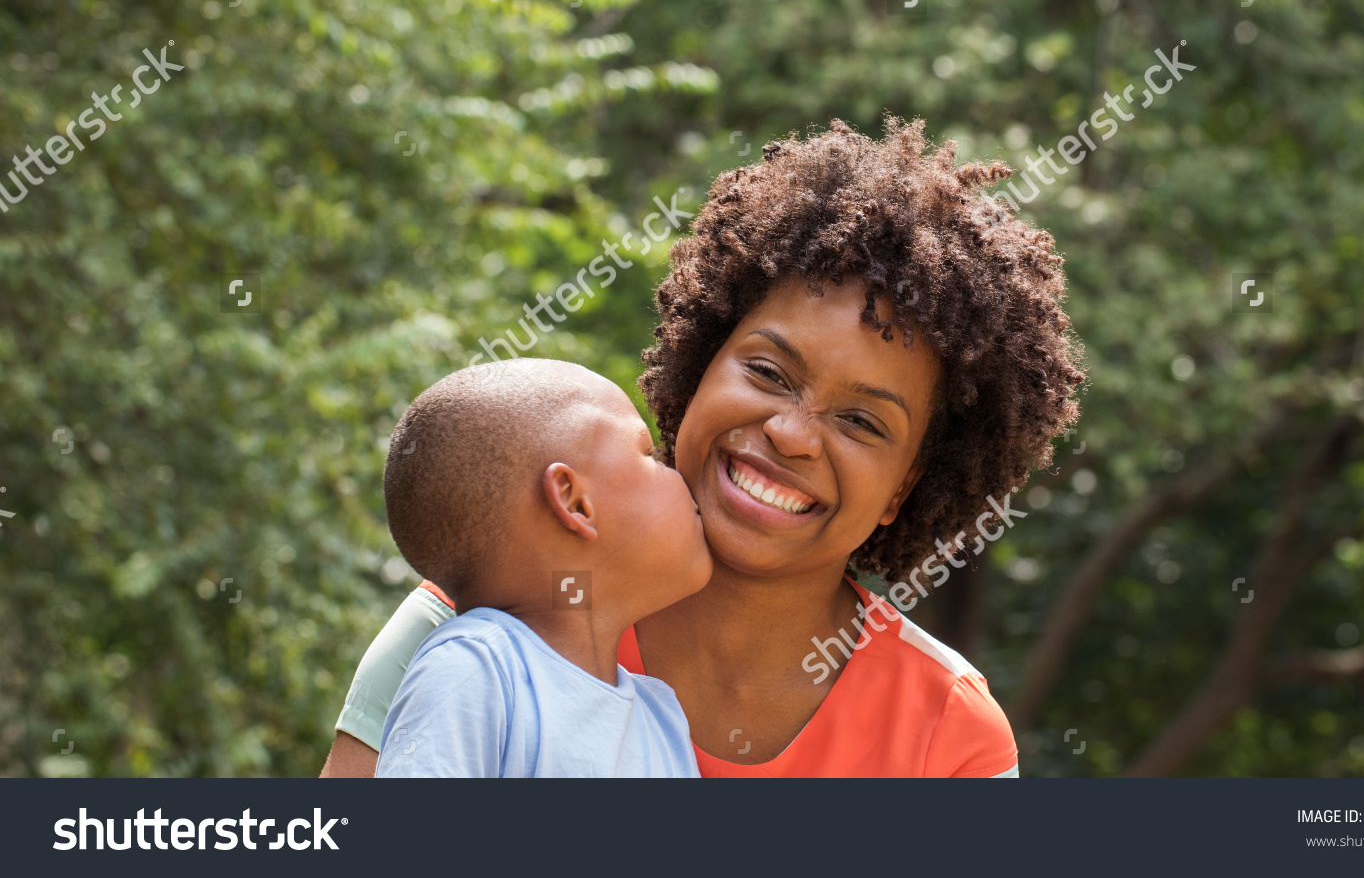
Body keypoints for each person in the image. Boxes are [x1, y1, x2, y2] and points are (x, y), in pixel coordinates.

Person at [322, 117, 1084, 778]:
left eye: (861, 422)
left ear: (904, 487)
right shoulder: (495, 604)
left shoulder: (946, 737)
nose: (790, 433)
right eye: (766, 371)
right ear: (699, 363)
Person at [370, 359, 711, 776]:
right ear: (573, 501)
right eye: (650, 454)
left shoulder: (661, 718)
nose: (677, 473)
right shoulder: (474, 670)